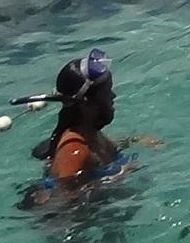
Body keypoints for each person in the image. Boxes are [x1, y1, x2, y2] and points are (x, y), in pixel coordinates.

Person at [21, 49, 142, 207]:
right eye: (106, 93)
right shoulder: (75, 150)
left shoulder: (91, 135)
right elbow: (64, 199)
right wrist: (115, 178)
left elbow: (104, 150)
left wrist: (136, 140)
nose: (113, 96)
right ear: (86, 104)